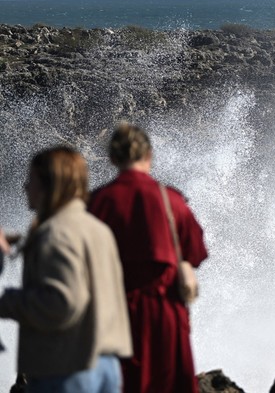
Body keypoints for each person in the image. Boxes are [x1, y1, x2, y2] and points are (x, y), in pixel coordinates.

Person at [0, 146, 133, 391]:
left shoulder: (54, 234)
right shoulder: (98, 229)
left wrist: (6, 302)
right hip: (106, 367)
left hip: (66, 369)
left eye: (32, 180)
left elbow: (63, 302)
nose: (25, 187)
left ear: (51, 185)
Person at [89, 124, 208, 393]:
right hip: (164, 309)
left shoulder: (98, 201)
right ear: (149, 155)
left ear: (112, 158)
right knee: (167, 381)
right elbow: (196, 252)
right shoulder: (171, 199)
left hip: (115, 311)